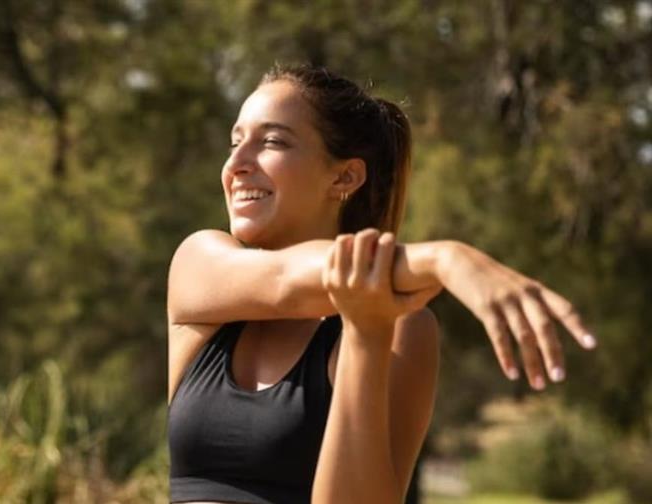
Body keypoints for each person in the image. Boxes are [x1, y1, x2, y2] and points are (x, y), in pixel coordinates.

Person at [166, 64, 596, 504]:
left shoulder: (402, 327)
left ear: (345, 177)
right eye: (236, 142)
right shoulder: (200, 266)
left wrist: (366, 338)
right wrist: (447, 259)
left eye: (271, 141)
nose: (236, 164)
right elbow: (284, 280)